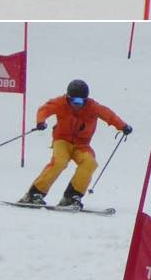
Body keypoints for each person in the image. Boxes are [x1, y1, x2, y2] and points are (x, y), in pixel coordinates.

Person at [19, 79, 133, 210]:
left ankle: (71, 196)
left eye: (81, 101)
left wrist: (123, 126)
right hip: (62, 141)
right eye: (74, 101)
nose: (77, 105)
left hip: (82, 145)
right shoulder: (60, 103)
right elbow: (44, 110)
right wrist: (41, 122)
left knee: (90, 163)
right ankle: (34, 194)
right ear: (68, 98)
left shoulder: (92, 107)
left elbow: (109, 115)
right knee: (59, 162)